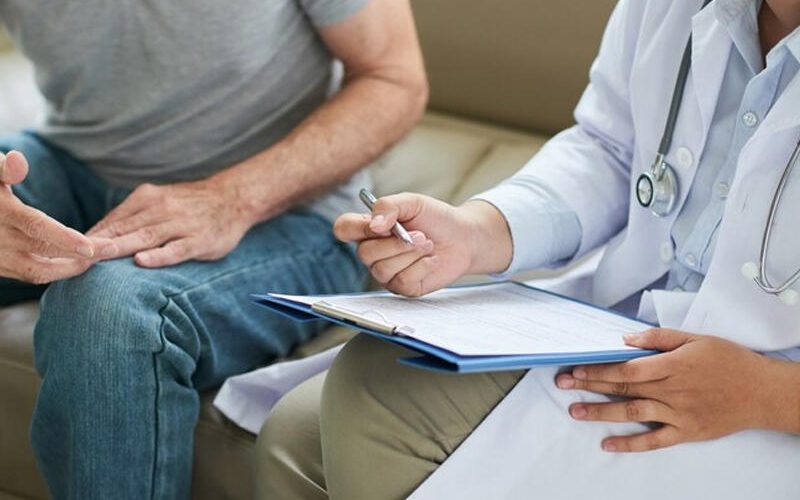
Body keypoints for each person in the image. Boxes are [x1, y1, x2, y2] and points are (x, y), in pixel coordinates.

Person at [256, 0, 800, 498]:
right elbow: (610, 151)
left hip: (762, 403)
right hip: (618, 332)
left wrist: (765, 394)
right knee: (296, 434)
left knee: (377, 397)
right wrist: (474, 233)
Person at [0, 0, 426, 497]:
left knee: (108, 312)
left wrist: (234, 197)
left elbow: (394, 78)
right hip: (75, 164)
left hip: (286, 211)